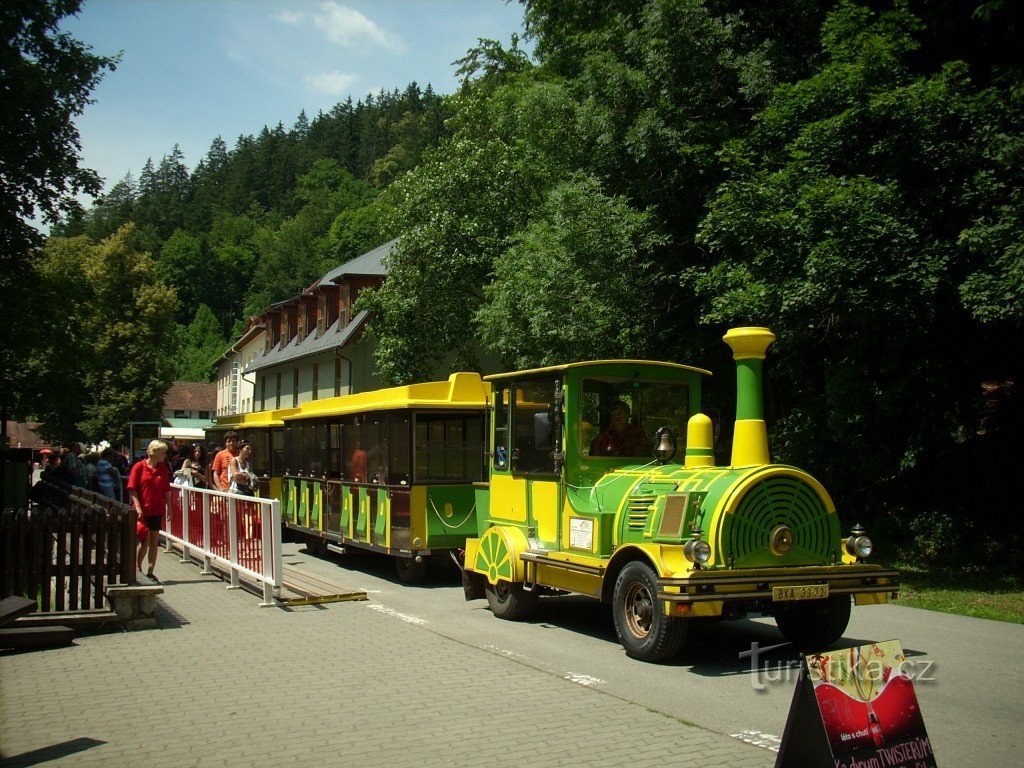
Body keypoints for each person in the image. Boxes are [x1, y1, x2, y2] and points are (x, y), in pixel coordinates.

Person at [128, 439, 171, 582]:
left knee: (154, 541)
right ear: (154, 452)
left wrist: (169, 508)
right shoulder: (139, 467)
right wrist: (138, 508)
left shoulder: (163, 469)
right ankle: (137, 567)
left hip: (156, 509)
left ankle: (150, 571)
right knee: (144, 538)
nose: (165, 455)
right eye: (163, 452)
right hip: (142, 510)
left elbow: (166, 490)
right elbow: (133, 489)